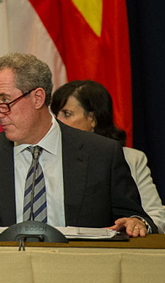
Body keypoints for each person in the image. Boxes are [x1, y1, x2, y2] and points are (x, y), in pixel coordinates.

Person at [0, 53, 154, 237]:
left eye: (5, 101)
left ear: (38, 98)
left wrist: (136, 222)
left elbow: (135, 218)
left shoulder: (102, 154)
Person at [51, 80, 165, 234]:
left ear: (92, 118)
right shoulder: (49, 157)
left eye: (67, 114)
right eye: (55, 114)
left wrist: (138, 222)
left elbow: (157, 216)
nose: (57, 121)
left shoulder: (130, 159)